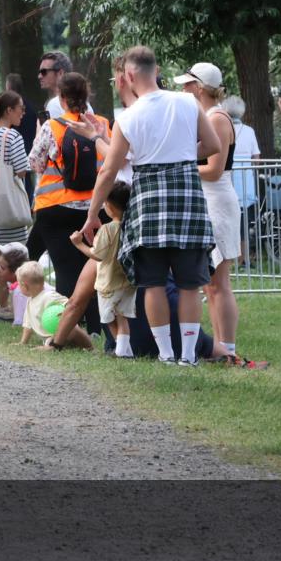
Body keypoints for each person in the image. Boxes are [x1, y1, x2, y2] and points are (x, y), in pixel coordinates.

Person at [81, 45, 220, 366]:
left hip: (148, 203)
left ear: (129, 75)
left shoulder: (127, 118)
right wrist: (183, 154)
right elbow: (212, 145)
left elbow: (109, 171)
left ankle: (167, 355)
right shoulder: (187, 102)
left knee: (153, 282)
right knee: (189, 283)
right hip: (188, 197)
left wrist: (92, 214)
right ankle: (188, 356)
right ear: (156, 71)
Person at [27, 72, 111, 337]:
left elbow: (34, 163)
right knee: (95, 268)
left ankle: (68, 329)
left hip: (55, 208)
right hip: (95, 209)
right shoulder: (102, 125)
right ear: (87, 97)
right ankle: (97, 328)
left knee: (65, 269)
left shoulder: (53, 127)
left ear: (61, 98)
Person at [175, 62, 242, 357]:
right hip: (210, 201)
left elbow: (214, 170)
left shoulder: (216, 118)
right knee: (210, 285)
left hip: (217, 201)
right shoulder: (208, 115)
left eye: (187, 84)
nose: (183, 89)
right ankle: (220, 346)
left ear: (200, 88)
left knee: (218, 283)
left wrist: (181, 166)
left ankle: (227, 345)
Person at [70, 181, 136, 358]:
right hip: (127, 281)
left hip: (108, 282)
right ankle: (125, 351)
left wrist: (78, 244)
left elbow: (97, 255)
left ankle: (122, 352)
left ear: (109, 206)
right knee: (122, 317)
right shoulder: (132, 226)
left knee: (109, 318)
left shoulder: (107, 229)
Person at [0, 91, 30, 314]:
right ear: (8, 110)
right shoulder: (12, 137)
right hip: (9, 205)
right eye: (20, 108)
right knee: (13, 254)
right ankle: (7, 305)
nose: (23, 112)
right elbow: (21, 170)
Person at [223, 95, 262, 267]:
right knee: (244, 224)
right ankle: (243, 258)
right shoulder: (249, 131)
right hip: (246, 183)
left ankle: (232, 259)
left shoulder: (223, 128)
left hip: (228, 182)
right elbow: (257, 159)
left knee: (229, 223)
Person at [15, 261, 75, 345]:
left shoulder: (48, 296)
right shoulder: (30, 301)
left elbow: (70, 304)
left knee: (50, 342)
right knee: (48, 341)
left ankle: (57, 343)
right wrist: (23, 342)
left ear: (24, 286)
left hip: (61, 334)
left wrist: (64, 311)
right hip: (48, 337)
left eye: (19, 284)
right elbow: (28, 325)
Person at [5, 73, 38, 199]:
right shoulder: (30, 106)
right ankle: (27, 206)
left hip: (14, 150)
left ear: (9, 87)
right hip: (28, 147)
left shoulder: (12, 108)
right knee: (27, 182)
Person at [0, 241, 30, 323]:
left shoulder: (21, 290)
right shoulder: (20, 284)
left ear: (16, 270)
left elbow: (19, 319)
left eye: (2, 268)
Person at [38, 51, 72, 120]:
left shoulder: (55, 104)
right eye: (39, 72)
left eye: (44, 72)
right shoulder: (83, 102)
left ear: (60, 73)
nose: (39, 76)